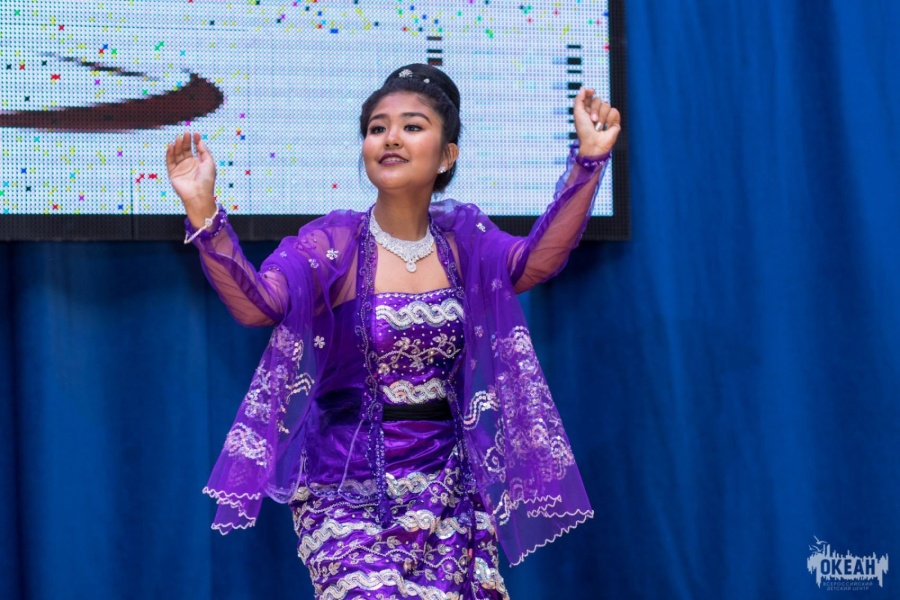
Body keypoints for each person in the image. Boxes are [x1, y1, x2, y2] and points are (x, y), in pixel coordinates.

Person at [166, 63, 621, 599]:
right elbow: (255, 306)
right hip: (346, 487)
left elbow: (538, 259)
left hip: (449, 485)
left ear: (447, 154)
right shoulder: (332, 245)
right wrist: (203, 211)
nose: (390, 138)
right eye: (377, 127)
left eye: (412, 126)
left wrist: (589, 163)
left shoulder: (466, 241)